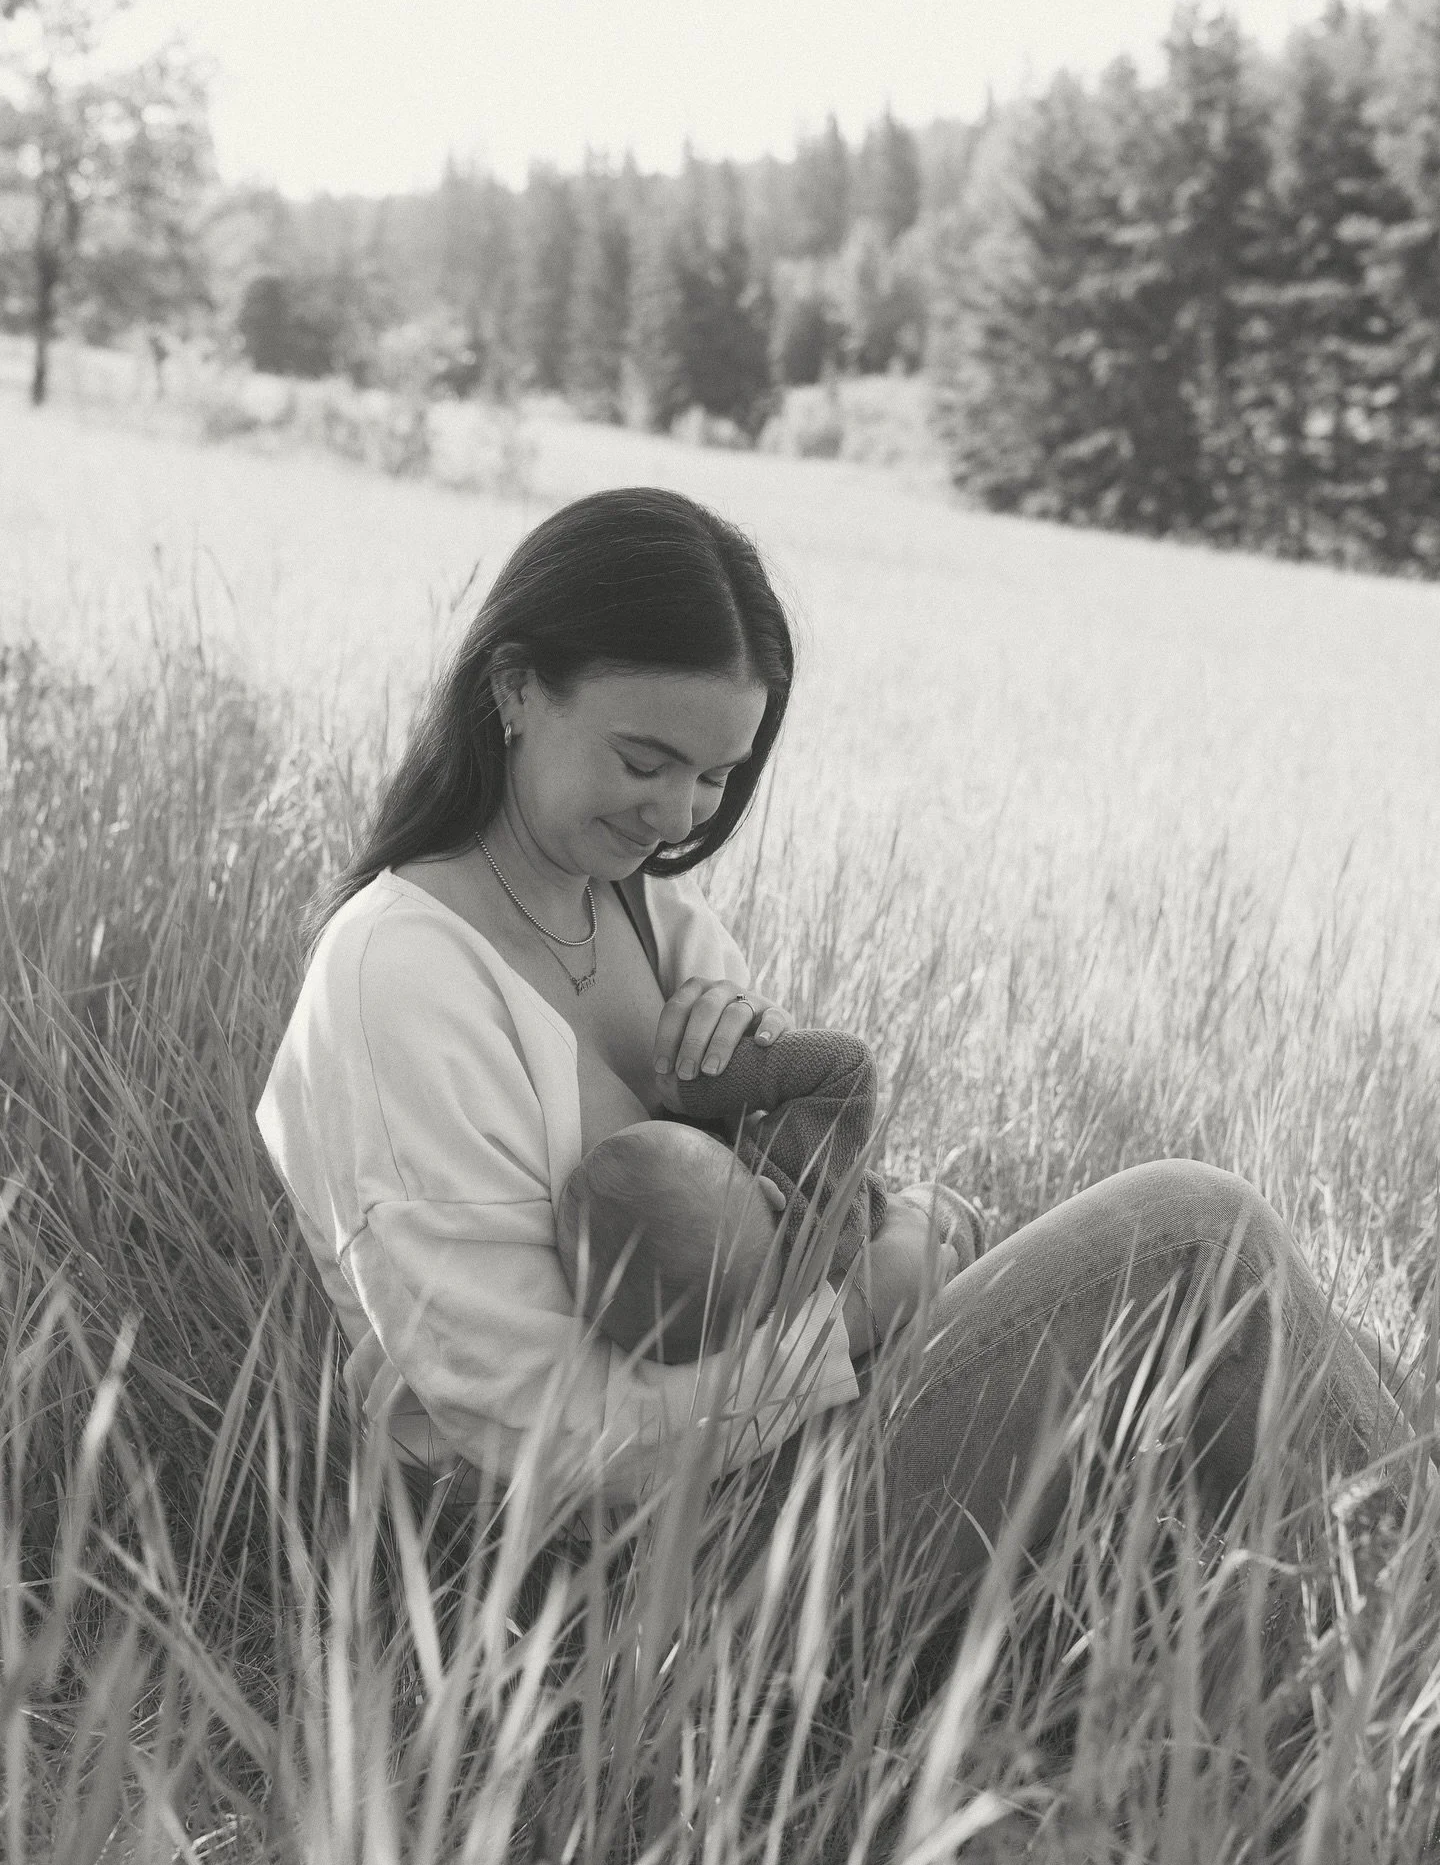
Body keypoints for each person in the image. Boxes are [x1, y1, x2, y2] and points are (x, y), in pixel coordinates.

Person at [256, 484, 1432, 1625]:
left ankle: (1368, 1671)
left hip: (794, 1463)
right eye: (643, 760)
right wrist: (876, 1299)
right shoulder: (399, 978)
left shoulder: (648, 922)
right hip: (636, 1585)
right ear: (515, 688)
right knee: (1193, 1231)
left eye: (716, 778)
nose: (677, 818)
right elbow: (534, 1431)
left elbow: (785, 1213)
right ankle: (1398, 1686)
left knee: (1276, 1317)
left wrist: (891, 1247)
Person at [554, 1025, 985, 1363]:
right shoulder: (799, 1178)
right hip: (903, 1231)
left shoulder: (716, 1331)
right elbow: (850, 1066)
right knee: (948, 1210)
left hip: (843, 1359)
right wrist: (697, 1089)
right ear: (767, 1189)